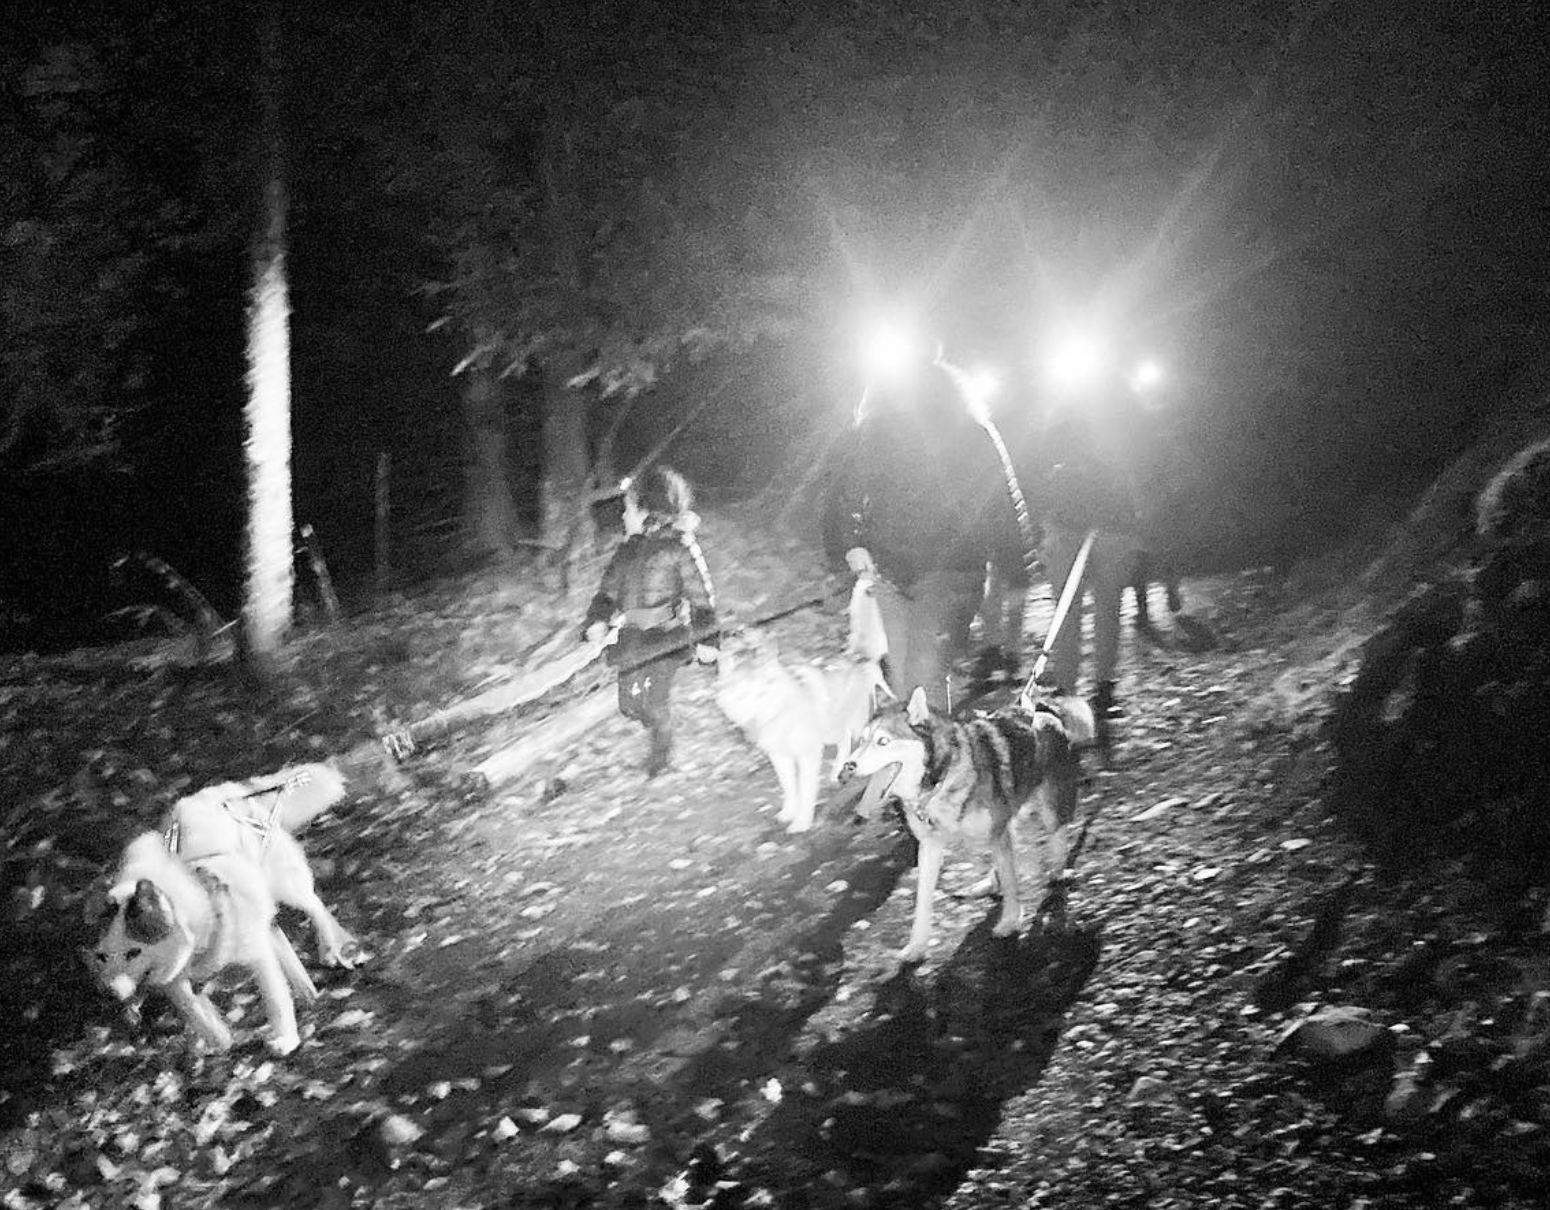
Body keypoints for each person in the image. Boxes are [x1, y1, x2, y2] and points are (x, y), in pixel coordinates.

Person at [822, 358, 1022, 713]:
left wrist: (850, 543)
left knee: (921, 678)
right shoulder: (879, 433)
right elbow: (845, 493)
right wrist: (850, 543)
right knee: (908, 680)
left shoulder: (969, 435)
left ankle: (938, 759)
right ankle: (929, 757)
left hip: (947, 574)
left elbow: (999, 503)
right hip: (900, 573)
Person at [581, 465, 719, 777]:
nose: (622, 517)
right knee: (630, 703)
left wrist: (708, 640)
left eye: (628, 510)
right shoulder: (627, 551)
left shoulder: (680, 547)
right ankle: (654, 721)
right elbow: (607, 591)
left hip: (665, 637)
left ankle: (660, 757)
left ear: (647, 511)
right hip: (631, 637)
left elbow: (701, 598)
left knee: (655, 702)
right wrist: (597, 619)